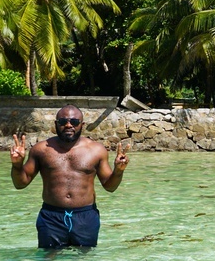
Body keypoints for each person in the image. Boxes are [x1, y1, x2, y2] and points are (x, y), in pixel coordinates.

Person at [10, 105, 129, 249]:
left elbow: (110, 187)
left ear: (82, 125)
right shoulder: (41, 150)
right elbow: (20, 184)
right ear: (56, 124)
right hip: (51, 217)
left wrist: (118, 170)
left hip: (85, 216)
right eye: (62, 122)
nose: (68, 125)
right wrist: (17, 165)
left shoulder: (96, 150)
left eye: (74, 122)